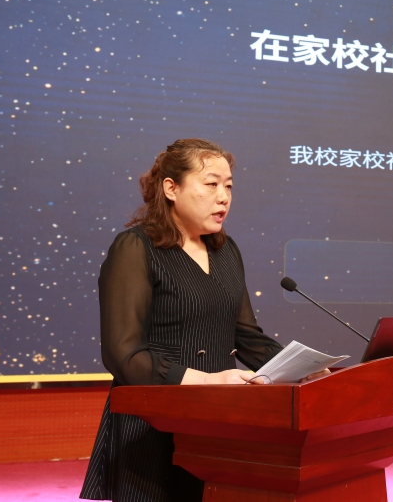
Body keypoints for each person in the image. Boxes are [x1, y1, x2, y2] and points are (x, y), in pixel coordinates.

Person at [80, 139, 317, 502]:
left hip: (216, 423)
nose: (224, 197)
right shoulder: (136, 247)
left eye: (229, 186)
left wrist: (303, 369)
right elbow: (124, 355)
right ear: (171, 188)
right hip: (152, 425)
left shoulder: (225, 249)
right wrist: (206, 380)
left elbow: (246, 336)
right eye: (211, 184)